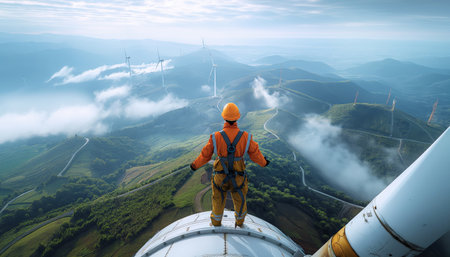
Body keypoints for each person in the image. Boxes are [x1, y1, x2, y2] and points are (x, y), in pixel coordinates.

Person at [190, 102, 269, 228]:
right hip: (239, 174)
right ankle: (240, 222)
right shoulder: (246, 137)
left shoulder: (215, 137)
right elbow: (255, 154)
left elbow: (205, 155)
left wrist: (194, 165)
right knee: (240, 199)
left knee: (218, 199)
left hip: (220, 174)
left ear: (224, 117)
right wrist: (264, 163)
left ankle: (216, 222)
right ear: (237, 117)